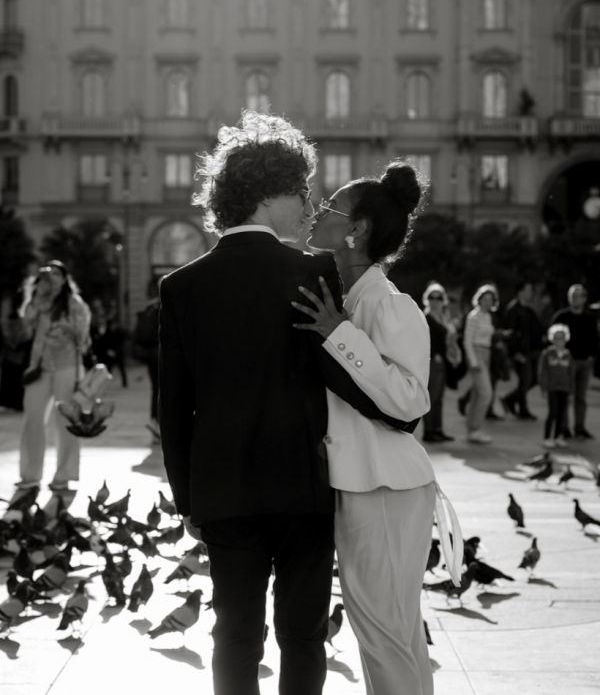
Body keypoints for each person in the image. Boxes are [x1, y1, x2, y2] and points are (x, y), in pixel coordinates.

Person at [158, 112, 416, 695]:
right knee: (301, 637)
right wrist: (396, 410)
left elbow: (173, 407)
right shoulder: (312, 269)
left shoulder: (181, 286)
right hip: (303, 487)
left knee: (235, 639)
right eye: (301, 191)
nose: (308, 205)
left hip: (222, 492)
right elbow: (338, 370)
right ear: (267, 192)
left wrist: (187, 499)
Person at [294, 161, 461, 695]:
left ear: (356, 229)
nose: (317, 213)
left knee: (383, 631)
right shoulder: (348, 298)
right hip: (366, 483)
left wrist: (341, 335)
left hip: (386, 486)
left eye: (329, 207)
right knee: (396, 630)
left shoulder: (389, 304)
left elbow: (412, 401)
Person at [11, 261, 90, 505]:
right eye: (48, 275)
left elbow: (83, 336)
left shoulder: (74, 303)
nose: (53, 278)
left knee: (64, 421)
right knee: (32, 420)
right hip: (39, 367)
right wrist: (36, 294)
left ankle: (63, 476)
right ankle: (30, 475)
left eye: (57, 275)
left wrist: (64, 328)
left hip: (66, 366)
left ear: (65, 278)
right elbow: (25, 323)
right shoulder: (39, 300)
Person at [551, 284, 598, 441]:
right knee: (565, 396)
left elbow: (595, 340)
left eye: (578, 296)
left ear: (584, 299)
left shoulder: (589, 318)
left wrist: (592, 356)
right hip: (566, 362)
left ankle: (579, 427)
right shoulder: (562, 317)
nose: (574, 298)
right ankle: (564, 427)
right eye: (572, 295)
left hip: (584, 361)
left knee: (581, 396)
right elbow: (551, 338)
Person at [421, 282, 458, 443]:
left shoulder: (443, 317)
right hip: (432, 362)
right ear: (427, 299)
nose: (435, 300)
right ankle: (428, 432)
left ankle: (438, 430)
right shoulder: (425, 317)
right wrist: (433, 354)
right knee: (431, 397)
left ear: (443, 300)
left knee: (439, 398)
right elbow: (422, 340)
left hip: (443, 362)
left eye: (438, 297)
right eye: (432, 297)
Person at [502, 281, 544, 420]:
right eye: (528, 290)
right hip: (521, 353)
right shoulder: (513, 310)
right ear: (520, 292)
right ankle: (523, 409)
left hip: (533, 351)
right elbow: (510, 333)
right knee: (525, 380)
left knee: (534, 379)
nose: (531, 293)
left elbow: (537, 330)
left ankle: (510, 399)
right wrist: (515, 353)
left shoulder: (530, 310)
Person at [463, 285, 498, 444]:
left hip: (487, 354)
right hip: (477, 354)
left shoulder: (488, 316)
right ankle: (476, 428)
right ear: (479, 299)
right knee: (486, 394)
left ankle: (471, 428)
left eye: (490, 300)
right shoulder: (474, 315)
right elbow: (467, 340)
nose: (487, 302)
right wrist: (473, 360)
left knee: (478, 394)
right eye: (485, 299)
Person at [538, 324, 575, 449]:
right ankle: (547, 437)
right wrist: (543, 387)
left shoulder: (568, 355)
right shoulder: (547, 354)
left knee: (562, 413)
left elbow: (571, 374)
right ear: (552, 339)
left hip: (564, 388)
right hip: (552, 388)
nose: (559, 341)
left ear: (566, 339)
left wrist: (571, 391)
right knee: (552, 412)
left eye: (562, 338)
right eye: (556, 338)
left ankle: (558, 436)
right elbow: (543, 372)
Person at [133, 281, 160, 440]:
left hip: (150, 353)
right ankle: (158, 422)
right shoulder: (169, 304)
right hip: (162, 353)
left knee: (156, 388)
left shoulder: (149, 307)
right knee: (164, 389)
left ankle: (154, 420)